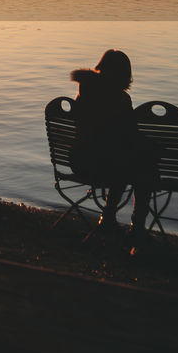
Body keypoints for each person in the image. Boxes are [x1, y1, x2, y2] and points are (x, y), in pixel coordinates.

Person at [69, 49, 159, 254]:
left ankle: (108, 218)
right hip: (101, 166)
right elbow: (129, 136)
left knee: (125, 162)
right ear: (125, 74)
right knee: (143, 169)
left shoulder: (83, 92)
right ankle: (136, 227)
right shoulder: (119, 100)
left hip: (79, 161)